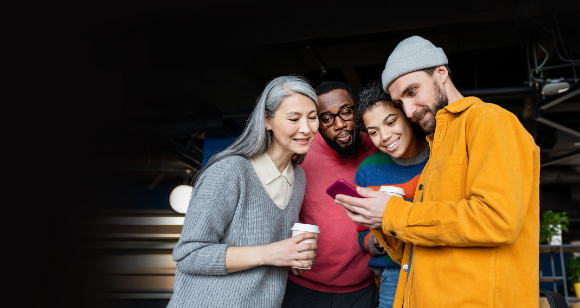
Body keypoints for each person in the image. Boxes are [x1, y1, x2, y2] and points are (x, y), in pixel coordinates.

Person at [335, 36, 540, 307]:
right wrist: (378, 219)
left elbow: (497, 220)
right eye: (400, 101)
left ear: (440, 73)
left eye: (412, 92)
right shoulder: (438, 147)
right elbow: (415, 249)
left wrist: (393, 213)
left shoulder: (490, 121)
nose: (408, 110)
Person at [168, 76, 320, 308]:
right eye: (293, 118)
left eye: (312, 117)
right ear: (267, 120)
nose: (306, 129)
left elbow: (271, 249)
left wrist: (291, 256)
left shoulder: (297, 177)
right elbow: (189, 255)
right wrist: (270, 253)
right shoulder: (230, 172)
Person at [281, 81, 379, 308]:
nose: (340, 125)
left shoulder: (378, 144)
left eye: (346, 112)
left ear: (358, 110)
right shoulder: (299, 152)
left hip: (362, 288)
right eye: (326, 119)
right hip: (303, 286)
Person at [354, 80, 429, 308]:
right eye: (373, 132)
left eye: (391, 122)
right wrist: (377, 240)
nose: (384, 136)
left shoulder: (440, 156)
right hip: (393, 275)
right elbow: (362, 235)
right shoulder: (368, 170)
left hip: (438, 268)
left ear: (406, 114)